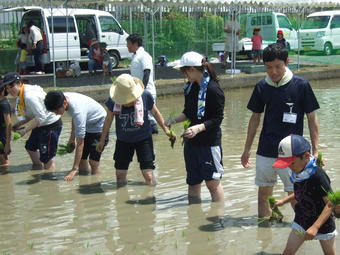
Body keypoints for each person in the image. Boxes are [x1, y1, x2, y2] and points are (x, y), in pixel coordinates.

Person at [240, 43, 320, 221]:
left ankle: (305, 229)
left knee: (295, 195)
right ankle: (264, 235)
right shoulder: (262, 86)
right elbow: (255, 118)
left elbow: (312, 117)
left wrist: (316, 150)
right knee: (263, 195)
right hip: (266, 149)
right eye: (268, 67)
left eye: (278, 66)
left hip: (293, 152)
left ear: (287, 62)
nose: (273, 71)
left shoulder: (301, 85)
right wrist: (247, 149)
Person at [165, 51, 225, 204]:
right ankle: (193, 218)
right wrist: (173, 120)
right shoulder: (190, 88)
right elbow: (188, 113)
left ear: (191, 69)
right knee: (193, 182)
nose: (183, 75)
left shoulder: (213, 89)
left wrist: (198, 128)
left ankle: (217, 218)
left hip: (208, 143)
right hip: (191, 143)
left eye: (183, 71)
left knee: (212, 183)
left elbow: (217, 119)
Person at [96, 73, 173, 186]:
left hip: (143, 139)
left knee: (148, 175)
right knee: (120, 174)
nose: (127, 103)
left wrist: (166, 130)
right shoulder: (113, 101)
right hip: (123, 140)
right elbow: (108, 120)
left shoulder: (145, 95)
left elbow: (155, 113)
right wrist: (102, 140)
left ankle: (151, 196)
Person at [272, 135, 336, 255]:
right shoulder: (298, 173)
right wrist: (283, 201)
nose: (289, 167)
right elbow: (301, 192)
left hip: (323, 222)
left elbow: (330, 203)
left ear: (306, 156)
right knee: (287, 252)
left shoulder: (318, 175)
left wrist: (316, 227)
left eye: (292, 163)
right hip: (302, 219)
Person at [3, 72, 62, 170]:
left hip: (51, 125)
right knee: (30, 147)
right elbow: (31, 115)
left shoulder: (29, 96)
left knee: (46, 158)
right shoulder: (22, 93)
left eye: (11, 86)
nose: (9, 90)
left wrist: (25, 130)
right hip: (40, 123)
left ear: (19, 83)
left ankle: (49, 178)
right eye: (7, 88)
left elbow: (41, 117)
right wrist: (17, 125)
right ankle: (38, 170)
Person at [44, 91, 107, 181]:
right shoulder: (61, 98)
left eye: (57, 111)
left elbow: (80, 144)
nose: (56, 114)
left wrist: (74, 169)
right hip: (88, 123)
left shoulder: (77, 110)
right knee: (81, 160)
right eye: (53, 111)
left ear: (64, 103)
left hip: (100, 125)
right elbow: (75, 119)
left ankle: (95, 185)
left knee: (93, 162)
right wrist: (71, 139)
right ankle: (84, 186)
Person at [126, 34, 158, 134]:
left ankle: (153, 135)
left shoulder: (144, 56)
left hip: (146, 91)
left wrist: (142, 90)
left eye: (128, 44)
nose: (127, 46)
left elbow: (147, 72)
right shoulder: (135, 56)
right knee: (143, 117)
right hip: (139, 92)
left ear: (135, 44)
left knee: (149, 116)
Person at [0, 80, 12, 166]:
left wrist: (8, 144)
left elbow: (9, 124)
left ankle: (6, 178)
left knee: (4, 162)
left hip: (3, 137)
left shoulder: (4, 104)